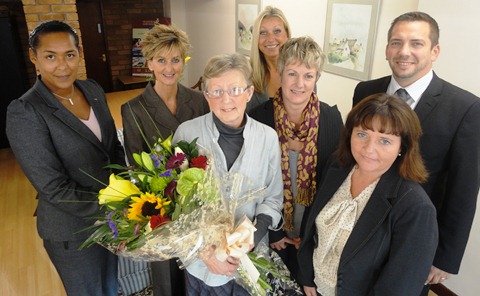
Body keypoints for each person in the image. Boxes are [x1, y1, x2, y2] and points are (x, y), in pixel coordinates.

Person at [352, 12, 480, 294]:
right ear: (387, 49)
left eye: (416, 43)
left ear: (435, 51)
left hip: (414, 240)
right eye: (396, 42)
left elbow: (464, 190)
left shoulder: (465, 109)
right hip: (359, 229)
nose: (404, 52)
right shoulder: (366, 91)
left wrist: (444, 257)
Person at [6, 20, 123, 296]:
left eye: (69, 55)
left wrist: (126, 194)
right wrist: (114, 211)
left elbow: (112, 149)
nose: (62, 65)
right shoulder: (25, 111)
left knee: (111, 286)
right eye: (50, 56)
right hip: (72, 231)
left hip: (112, 219)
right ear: (34, 57)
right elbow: (53, 187)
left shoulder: (92, 89)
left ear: (79, 54)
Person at [298, 93, 439, 296]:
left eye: (384, 141)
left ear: (403, 147)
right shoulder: (337, 166)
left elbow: (400, 287)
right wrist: (307, 277)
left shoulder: (416, 208)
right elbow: (312, 229)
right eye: (362, 134)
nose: (368, 149)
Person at [172, 53, 283, 295]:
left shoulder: (267, 138)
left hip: (249, 260)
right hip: (202, 264)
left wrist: (250, 240)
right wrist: (206, 252)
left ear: (249, 93)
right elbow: (175, 205)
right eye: (217, 91)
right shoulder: (187, 134)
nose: (226, 100)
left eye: (234, 89)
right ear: (206, 95)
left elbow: (273, 199)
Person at [121, 24, 210, 296]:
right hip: (162, 209)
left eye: (175, 60)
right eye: (161, 60)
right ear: (149, 63)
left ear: (183, 61)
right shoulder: (133, 109)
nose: (169, 68)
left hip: (198, 201)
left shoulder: (198, 101)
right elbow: (136, 167)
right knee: (168, 278)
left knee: (199, 269)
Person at [249, 36, 343, 280]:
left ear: (316, 79)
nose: (299, 83)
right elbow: (252, 183)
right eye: (292, 73)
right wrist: (272, 232)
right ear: (280, 74)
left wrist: (313, 236)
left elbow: (334, 185)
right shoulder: (259, 118)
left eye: (308, 75)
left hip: (313, 235)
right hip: (271, 232)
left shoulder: (332, 119)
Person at [246, 5, 291, 112]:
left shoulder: (303, 72)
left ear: (287, 35)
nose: (270, 38)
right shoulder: (246, 74)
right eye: (263, 33)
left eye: (277, 31)